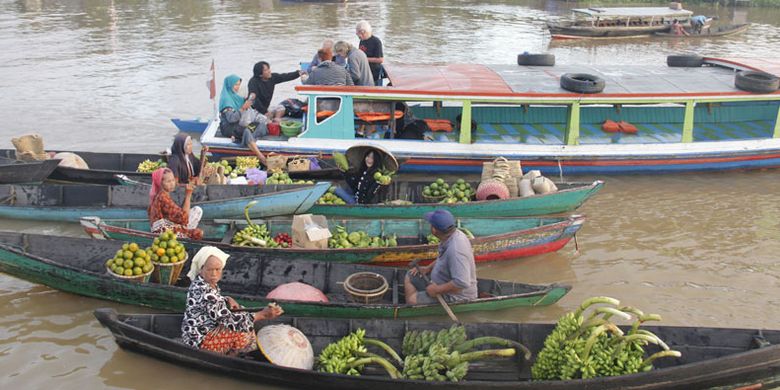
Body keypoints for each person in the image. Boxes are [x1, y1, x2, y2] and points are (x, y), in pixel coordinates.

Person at [181, 246, 284, 355]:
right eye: (210, 270)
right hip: (199, 340)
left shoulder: (203, 282)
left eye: (218, 269)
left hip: (203, 329)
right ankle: (232, 356)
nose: (214, 274)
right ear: (201, 269)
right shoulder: (204, 291)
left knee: (242, 312)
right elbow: (227, 319)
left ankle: (238, 352)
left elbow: (214, 304)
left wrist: (227, 299)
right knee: (242, 333)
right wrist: (261, 315)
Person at [404, 209, 477, 305]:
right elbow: (443, 258)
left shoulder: (456, 251)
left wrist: (437, 290)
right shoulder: (449, 237)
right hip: (440, 281)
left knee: (412, 300)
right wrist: (428, 268)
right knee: (410, 276)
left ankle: (412, 306)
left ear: (434, 230)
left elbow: (461, 283)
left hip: (457, 295)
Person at [218, 74, 268, 165]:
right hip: (229, 127)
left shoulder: (235, 96)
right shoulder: (226, 99)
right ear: (229, 85)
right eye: (235, 85)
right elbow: (231, 119)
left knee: (260, 124)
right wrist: (243, 108)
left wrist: (251, 98)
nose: (237, 87)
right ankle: (260, 156)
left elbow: (246, 103)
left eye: (238, 84)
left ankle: (242, 139)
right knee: (247, 131)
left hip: (239, 123)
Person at [147, 167, 204, 240]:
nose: (172, 183)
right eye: (168, 181)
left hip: (166, 228)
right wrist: (188, 195)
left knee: (196, 210)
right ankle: (184, 241)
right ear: (160, 183)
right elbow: (184, 218)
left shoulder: (159, 195)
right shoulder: (162, 197)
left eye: (173, 180)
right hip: (164, 234)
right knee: (198, 230)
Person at [356, 20, 384, 85]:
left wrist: (364, 58)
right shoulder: (362, 40)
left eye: (358, 35)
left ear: (363, 32)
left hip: (374, 73)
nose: (358, 37)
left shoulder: (376, 42)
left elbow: (380, 60)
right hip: (364, 71)